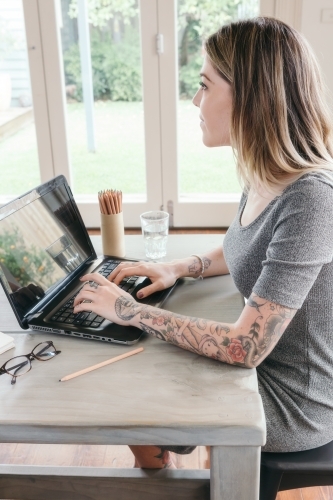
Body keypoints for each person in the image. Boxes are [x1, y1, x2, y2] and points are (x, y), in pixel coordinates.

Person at [74, 16, 333, 469]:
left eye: (206, 85)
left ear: (252, 97)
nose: (196, 99)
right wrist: (180, 267)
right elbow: (246, 248)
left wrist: (129, 309)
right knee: (140, 356)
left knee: (132, 380)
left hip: (294, 400)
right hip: (261, 368)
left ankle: (161, 482)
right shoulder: (263, 171)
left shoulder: (311, 198)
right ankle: (157, 480)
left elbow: (244, 347)